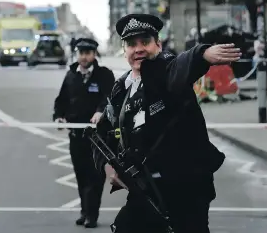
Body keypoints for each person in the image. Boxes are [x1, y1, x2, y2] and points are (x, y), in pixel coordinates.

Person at [92, 14, 242, 233]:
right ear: (124, 50)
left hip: (186, 188)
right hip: (145, 187)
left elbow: (180, 66)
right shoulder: (121, 89)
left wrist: (203, 54)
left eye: (145, 42)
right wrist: (107, 167)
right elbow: (102, 133)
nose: (139, 49)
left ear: (158, 45)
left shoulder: (165, 70)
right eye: (132, 44)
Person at [53, 38, 116, 228]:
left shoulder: (104, 75)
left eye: (88, 53)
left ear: (94, 54)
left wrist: (100, 111)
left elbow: (109, 97)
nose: (84, 57)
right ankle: (84, 210)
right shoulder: (71, 75)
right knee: (80, 174)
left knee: (95, 176)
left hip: (97, 138)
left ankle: (92, 215)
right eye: (81, 53)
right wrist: (58, 116)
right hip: (76, 136)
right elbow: (61, 100)